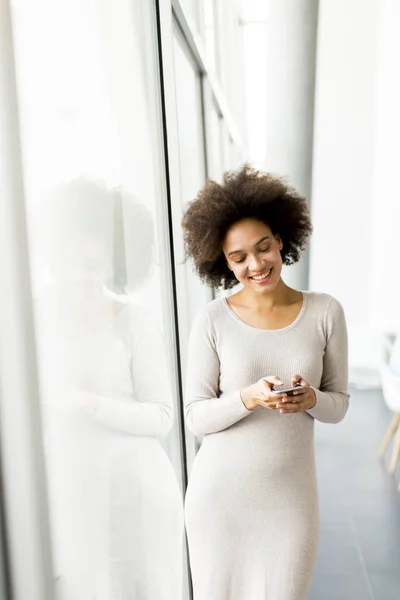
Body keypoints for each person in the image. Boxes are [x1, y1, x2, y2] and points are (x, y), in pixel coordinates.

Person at [181, 165, 349, 600]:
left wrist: (312, 398)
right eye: (239, 258)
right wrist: (249, 397)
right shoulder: (212, 320)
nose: (256, 265)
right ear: (223, 262)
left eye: (263, 248)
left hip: (291, 503)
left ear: (281, 240)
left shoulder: (325, 312)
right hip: (219, 501)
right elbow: (196, 417)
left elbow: (339, 404)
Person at [35, 180, 184, 599]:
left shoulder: (134, 323)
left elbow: (162, 416)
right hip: (68, 490)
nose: (81, 274)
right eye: (71, 261)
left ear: (113, 266)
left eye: (93, 263)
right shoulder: (32, 317)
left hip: (135, 493)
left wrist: (90, 405)